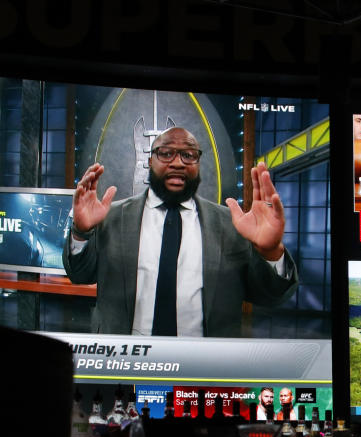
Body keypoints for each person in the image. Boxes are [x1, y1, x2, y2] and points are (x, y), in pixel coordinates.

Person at [63, 127, 298, 337]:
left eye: (189, 155)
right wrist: (81, 232)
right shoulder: (111, 217)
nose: (177, 163)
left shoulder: (232, 224)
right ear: (150, 160)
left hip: (203, 371)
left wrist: (270, 252)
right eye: (166, 153)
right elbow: (80, 275)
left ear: (198, 163)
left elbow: (271, 296)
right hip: (127, 365)